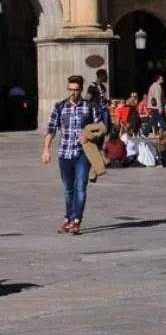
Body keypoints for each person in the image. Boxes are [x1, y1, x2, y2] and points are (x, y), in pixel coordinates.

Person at [42, 75, 102, 235]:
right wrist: (46, 150)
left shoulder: (90, 106)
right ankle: (67, 219)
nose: (73, 93)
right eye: (70, 90)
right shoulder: (60, 107)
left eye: (76, 90)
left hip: (83, 153)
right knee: (68, 189)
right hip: (64, 153)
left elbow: (101, 129)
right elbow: (51, 129)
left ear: (81, 90)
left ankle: (76, 220)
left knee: (80, 187)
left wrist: (90, 136)